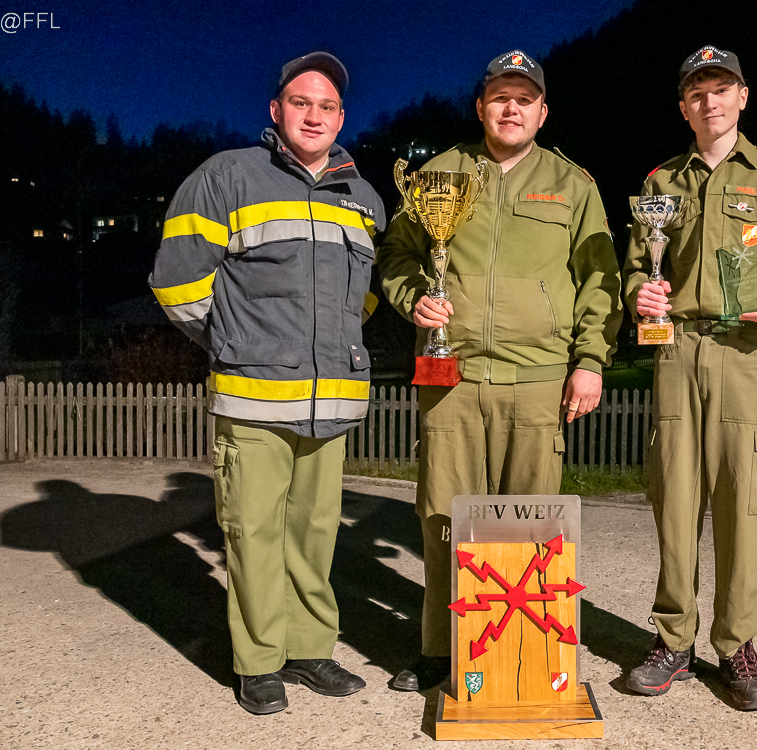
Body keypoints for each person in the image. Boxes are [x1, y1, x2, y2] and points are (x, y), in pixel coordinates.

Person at [378, 49, 622, 691]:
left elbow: (600, 281)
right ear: (480, 106)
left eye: (524, 99)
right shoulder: (439, 175)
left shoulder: (573, 185)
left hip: (539, 378)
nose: (511, 109)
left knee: (533, 521)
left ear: (542, 111)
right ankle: (440, 648)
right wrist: (415, 298)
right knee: (442, 515)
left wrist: (590, 361)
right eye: (499, 98)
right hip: (451, 375)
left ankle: (524, 652)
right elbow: (397, 256)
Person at [148, 52, 385, 714]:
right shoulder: (226, 176)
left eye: (327, 106)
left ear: (342, 118)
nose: (314, 115)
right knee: (253, 534)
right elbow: (177, 284)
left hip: (332, 402)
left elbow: (361, 300)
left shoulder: (364, 198)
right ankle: (259, 663)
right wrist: (235, 344)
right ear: (276, 110)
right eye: (301, 102)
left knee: (314, 532)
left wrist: (331, 348)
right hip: (253, 399)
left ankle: (309, 650)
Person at [622, 45, 757, 711]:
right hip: (676, 351)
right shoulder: (661, 182)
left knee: (744, 504)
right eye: (697, 92)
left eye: (721, 88)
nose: (709, 101)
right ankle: (673, 639)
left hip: (747, 352)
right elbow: (634, 266)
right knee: (674, 499)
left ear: (742, 97)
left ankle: (737, 644)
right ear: (683, 107)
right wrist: (639, 293)